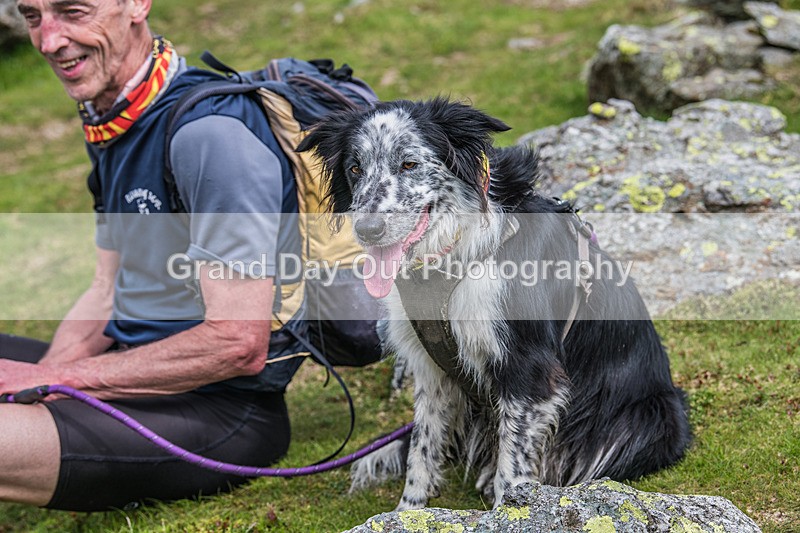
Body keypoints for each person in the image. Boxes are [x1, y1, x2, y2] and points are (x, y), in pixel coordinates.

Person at [0, 0, 306, 511]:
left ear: (137, 4)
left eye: (73, 11)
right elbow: (106, 290)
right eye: (33, 16)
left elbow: (236, 343)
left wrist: (58, 378)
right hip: (128, 373)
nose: (48, 41)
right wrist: (37, 382)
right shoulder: (113, 120)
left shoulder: (208, 135)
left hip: (222, 413)